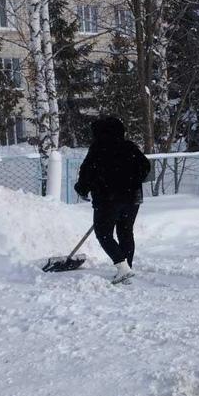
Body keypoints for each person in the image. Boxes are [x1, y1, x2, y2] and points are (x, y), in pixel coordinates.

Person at [74, 116, 152, 283]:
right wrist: (132, 180)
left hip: (107, 199)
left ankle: (123, 268)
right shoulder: (129, 147)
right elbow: (145, 166)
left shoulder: (98, 149)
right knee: (125, 232)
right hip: (132, 198)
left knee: (103, 233)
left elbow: (86, 172)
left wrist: (82, 189)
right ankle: (127, 267)